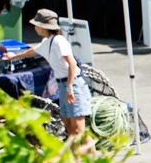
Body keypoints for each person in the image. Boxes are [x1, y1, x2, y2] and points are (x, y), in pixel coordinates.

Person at [11, 10, 91, 143]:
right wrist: (13, 56)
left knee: (78, 130)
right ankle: (73, 156)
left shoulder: (59, 41)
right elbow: (32, 52)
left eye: (36, 25)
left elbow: (72, 64)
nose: (34, 28)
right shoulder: (47, 42)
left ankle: (91, 154)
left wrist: (69, 87)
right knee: (69, 128)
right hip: (62, 85)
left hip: (73, 85)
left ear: (42, 27)